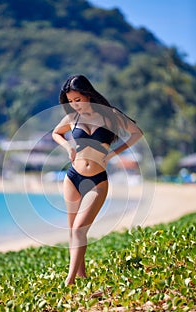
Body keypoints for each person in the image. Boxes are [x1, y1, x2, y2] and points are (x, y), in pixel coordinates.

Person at [52, 74, 143, 285]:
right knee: (73, 229)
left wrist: (113, 154)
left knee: (79, 229)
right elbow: (56, 133)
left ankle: (69, 280)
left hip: (97, 180)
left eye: (78, 100)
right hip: (72, 177)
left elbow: (136, 133)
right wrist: (68, 146)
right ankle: (81, 275)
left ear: (88, 95)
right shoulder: (72, 119)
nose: (75, 105)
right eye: (71, 102)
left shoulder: (109, 116)